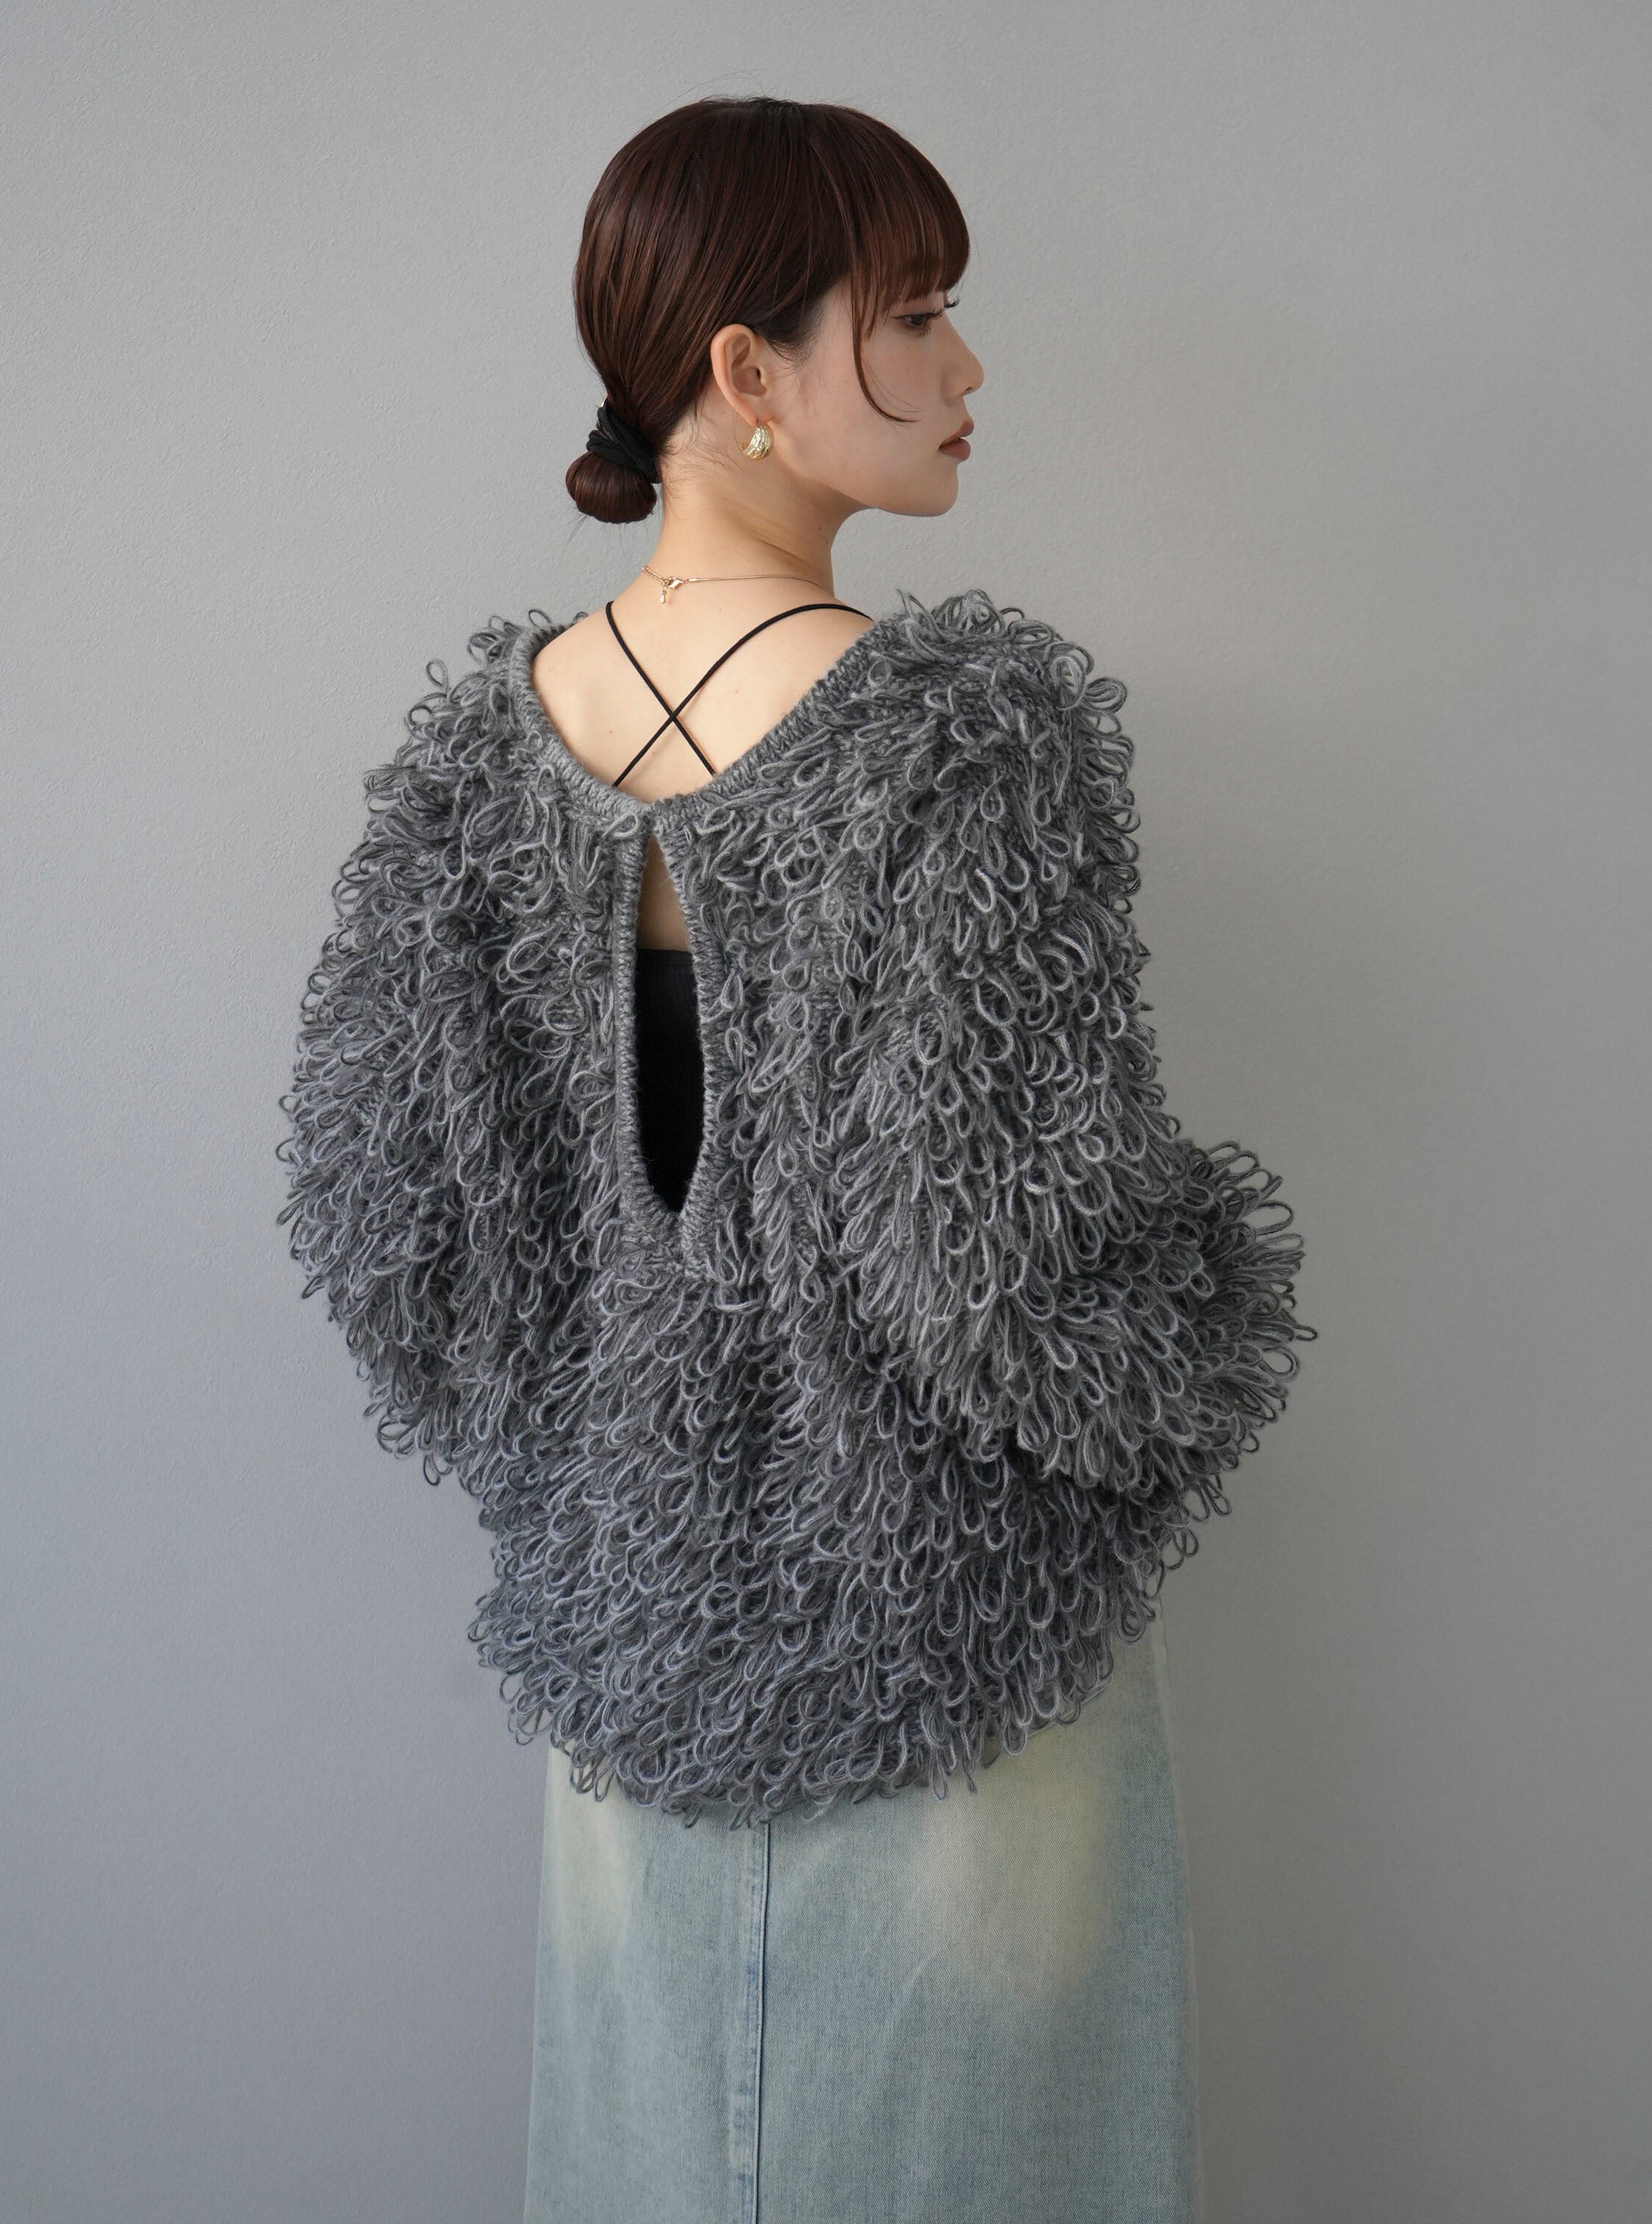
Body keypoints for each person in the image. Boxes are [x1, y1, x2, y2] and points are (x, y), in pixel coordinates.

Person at [279, 95, 1312, 2224]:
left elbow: (394, 1244)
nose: (966, 365)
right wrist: (1217, 1325)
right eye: (915, 315)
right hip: (966, 1671)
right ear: (746, 371)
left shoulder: (477, 762)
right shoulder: (957, 743)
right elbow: (1015, 1274)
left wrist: (601, 1470)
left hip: (629, 1662)